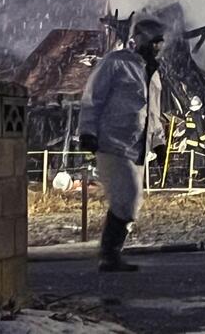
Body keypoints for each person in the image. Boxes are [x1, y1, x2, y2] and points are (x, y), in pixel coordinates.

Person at [79, 14, 166, 272]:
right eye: (154, 42)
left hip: (137, 148)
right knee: (126, 198)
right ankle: (108, 254)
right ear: (140, 41)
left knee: (132, 203)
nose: (157, 48)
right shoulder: (117, 63)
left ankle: (111, 254)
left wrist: (158, 142)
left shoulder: (153, 75)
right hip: (113, 142)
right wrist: (87, 132)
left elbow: (152, 112)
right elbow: (93, 98)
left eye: (160, 43)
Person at [184, 96, 205, 183]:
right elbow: (200, 131)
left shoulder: (188, 115)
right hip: (196, 143)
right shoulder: (197, 116)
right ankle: (196, 178)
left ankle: (189, 178)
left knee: (190, 160)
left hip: (189, 142)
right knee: (199, 161)